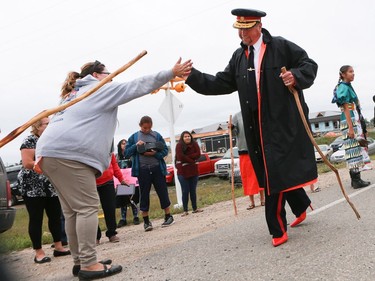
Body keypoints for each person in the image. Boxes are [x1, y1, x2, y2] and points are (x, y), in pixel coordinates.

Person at [36, 58, 192, 279]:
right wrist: (170, 72)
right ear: (98, 75)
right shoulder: (98, 89)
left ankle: (80, 261)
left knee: (72, 211)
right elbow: (136, 86)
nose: (112, 79)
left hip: (48, 152)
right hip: (70, 153)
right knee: (86, 208)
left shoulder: (72, 94)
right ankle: (89, 264)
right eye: (108, 74)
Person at [185, 8, 317, 247]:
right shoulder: (239, 56)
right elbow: (220, 82)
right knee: (271, 170)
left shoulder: (280, 46)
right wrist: (192, 76)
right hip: (255, 125)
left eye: (245, 30)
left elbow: (308, 64)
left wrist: (295, 76)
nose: (242, 35)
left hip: (282, 122)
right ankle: (300, 204)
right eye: (239, 30)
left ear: (258, 26)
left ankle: (277, 228)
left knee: (272, 172)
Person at [18, 117, 70, 264]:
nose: (49, 125)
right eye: (47, 123)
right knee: (36, 219)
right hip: (32, 186)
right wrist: (47, 165)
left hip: (51, 184)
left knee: (55, 216)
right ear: (38, 126)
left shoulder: (52, 140)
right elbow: (27, 163)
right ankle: (38, 252)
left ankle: (59, 247)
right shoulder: (29, 141)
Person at [125, 116, 174, 231]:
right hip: (142, 170)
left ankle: (168, 216)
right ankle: (146, 221)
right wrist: (136, 145)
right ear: (140, 125)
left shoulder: (156, 136)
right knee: (144, 194)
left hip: (157, 168)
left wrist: (155, 154)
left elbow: (165, 150)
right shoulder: (134, 137)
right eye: (144, 127)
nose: (146, 130)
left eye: (149, 127)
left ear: (152, 125)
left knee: (162, 191)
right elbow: (126, 153)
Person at [331, 65, 371, 189]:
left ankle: (356, 178)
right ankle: (355, 180)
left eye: (353, 71)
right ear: (343, 74)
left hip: (353, 119)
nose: (353, 74)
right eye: (350, 72)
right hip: (349, 120)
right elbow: (345, 108)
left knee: (355, 148)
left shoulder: (347, 86)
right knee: (352, 149)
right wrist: (350, 128)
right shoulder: (343, 87)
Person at [232, 111, 265, 209]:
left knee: (258, 176)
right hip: (244, 151)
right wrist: (231, 128)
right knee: (247, 178)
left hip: (256, 149)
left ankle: (262, 199)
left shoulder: (255, 112)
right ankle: (252, 202)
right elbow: (234, 133)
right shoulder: (237, 116)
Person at [96, 153, 127, 244]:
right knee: (92, 210)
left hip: (107, 180)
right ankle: (95, 236)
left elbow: (114, 164)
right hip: (91, 181)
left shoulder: (108, 148)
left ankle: (112, 233)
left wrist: (121, 179)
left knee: (110, 208)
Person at [175, 131, 203, 216]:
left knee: (193, 190)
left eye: (189, 136)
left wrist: (187, 158)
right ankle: (185, 210)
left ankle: (195, 208)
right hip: (182, 172)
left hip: (193, 170)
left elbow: (198, 154)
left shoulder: (194, 144)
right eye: (185, 137)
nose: (187, 138)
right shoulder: (179, 145)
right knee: (185, 191)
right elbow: (180, 156)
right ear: (182, 138)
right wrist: (192, 160)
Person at [115, 138, 139, 227]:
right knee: (123, 200)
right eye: (122, 143)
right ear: (119, 146)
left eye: (126, 143)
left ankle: (136, 216)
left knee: (133, 198)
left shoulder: (131, 155)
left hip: (132, 180)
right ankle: (123, 218)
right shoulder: (116, 157)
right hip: (121, 181)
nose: (124, 145)